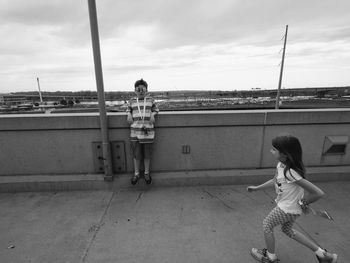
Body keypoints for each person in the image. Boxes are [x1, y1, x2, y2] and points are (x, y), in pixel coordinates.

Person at [247, 134, 337, 263]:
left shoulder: (290, 172)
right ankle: (323, 255)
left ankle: (271, 258)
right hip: (290, 208)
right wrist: (257, 188)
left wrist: (304, 202)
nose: (270, 151)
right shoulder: (281, 166)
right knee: (287, 230)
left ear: (284, 154)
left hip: (287, 209)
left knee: (267, 225)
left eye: (274, 149)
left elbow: (318, 193)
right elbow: (275, 180)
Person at [126, 79, 159, 185]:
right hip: (135, 132)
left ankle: (146, 172)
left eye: (142, 89)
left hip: (147, 132)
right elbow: (128, 109)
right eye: (138, 89)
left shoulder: (150, 100)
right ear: (135, 90)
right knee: (136, 155)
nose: (140, 91)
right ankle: (136, 173)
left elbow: (156, 109)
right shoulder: (131, 101)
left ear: (146, 90)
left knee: (147, 155)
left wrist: (153, 115)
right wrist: (129, 114)